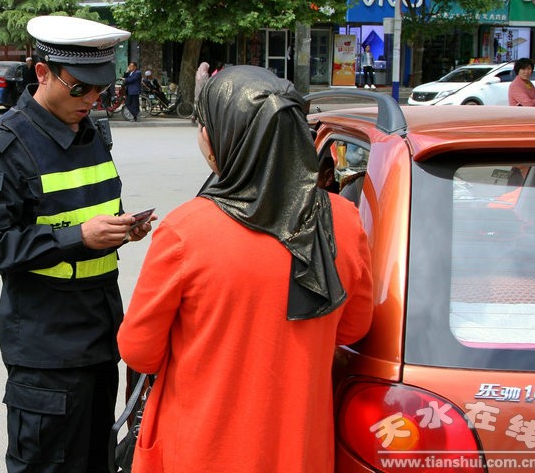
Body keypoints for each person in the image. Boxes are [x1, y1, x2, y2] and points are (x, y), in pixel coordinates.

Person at [117, 66, 374, 473]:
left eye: (205, 125)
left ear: (226, 138)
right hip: (299, 451)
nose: (202, 135)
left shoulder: (186, 231)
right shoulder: (343, 219)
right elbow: (353, 328)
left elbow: (139, 351)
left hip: (202, 451)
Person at [0, 15, 155, 473]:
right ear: (42, 73)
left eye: (100, 89)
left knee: (95, 462)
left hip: (100, 337)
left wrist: (121, 228)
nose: (90, 100)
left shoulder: (92, 133)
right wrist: (79, 237)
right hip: (46, 351)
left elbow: (91, 210)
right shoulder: (3, 145)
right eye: (79, 88)